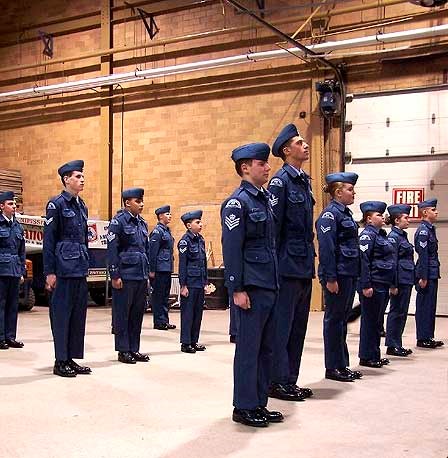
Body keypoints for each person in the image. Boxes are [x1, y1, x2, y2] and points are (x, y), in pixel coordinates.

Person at [221, 142, 283, 428]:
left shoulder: (264, 199)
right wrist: (237, 288)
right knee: (248, 349)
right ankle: (244, 406)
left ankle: (259, 402)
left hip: (268, 283)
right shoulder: (237, 203)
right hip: (251, 286)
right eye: (262, 163)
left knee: (266, 348)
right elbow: (232, 248)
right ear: (245, 168)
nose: (268, 167)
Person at [267, 124, 314, 402]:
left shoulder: (304, 181)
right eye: (299, 142)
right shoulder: (280, 182)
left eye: (305, 142)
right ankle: (277, 381)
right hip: (286, 265)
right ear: (286, 150)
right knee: (282, 328)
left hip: (304, 265)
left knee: (298, 328)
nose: (305, 145)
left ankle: (290, 380)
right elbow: (273, 230)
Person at [43, 160, 91, 377]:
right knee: (62, 316)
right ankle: (60, 361)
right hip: (63, 268)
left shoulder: (82, 206)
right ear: (66, 179)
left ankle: (71, 357)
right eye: (78, 176)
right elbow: (49, 240)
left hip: (79, 267)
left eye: (82, 176)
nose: (82, 180)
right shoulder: (56, 205)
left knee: (77, 316)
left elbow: (84, 240)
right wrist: (49, 272)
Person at [316, 172, 362, 382]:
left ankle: (342, 364)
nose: (353, 193)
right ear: (338, 192)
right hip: (338, 275)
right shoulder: (330, 215)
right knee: (334, 320)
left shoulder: (346, 214)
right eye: (350, 189)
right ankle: (333, 366)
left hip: (348, 272)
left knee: (342, 321)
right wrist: (330, 278)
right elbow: (327, 249)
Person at [107, 188, 151, 364]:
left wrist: (147, 274)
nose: (141, 204)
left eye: (142, 201)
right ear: (127, 203)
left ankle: (134, 348)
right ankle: (123, 350)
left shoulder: (142, 223)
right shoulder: (118, 222)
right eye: (137, 201)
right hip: (125, 274)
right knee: (122, 314)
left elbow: (145, 250)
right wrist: (114, 274)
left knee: (136, 314)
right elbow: (112, 250)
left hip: (140, 274)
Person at [358, 201, 395, 368]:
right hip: (373, 282)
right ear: (369, 219)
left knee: (376, 322)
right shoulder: (367, 235)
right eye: (379, 215)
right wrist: (366, 285)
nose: (382, 217)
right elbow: (364, 261)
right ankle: (366, 356)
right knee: (369, 321)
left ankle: (374, 354)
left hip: (382, 282)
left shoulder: (381, 235)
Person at [384, 204, 414, 357]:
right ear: (397, 220)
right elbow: (392, 262)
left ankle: (397, 343)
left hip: (406, 278)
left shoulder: (402, 235)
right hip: (400, 280)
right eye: (406, 218)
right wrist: (393, 283)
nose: (408, 220)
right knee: (396, 312)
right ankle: (392, 345)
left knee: (402, 312)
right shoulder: (393, 238)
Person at [414, 198, 444, 349]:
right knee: (424, 306)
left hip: (432, 272)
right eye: (433, 210)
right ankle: (422, 337)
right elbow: (423, 255)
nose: (436, 212)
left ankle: (428, 336)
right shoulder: (423, 231)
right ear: (425, 212)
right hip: (426, 273)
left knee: (430, 306)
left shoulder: (430, 229)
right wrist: (423, 276)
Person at [178, 210, 207, 354]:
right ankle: (186, 343)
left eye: (200, 222)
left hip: (199, 282)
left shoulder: (201, 240)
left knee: (197, 314)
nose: (201, 224)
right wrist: (183, 285)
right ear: (189, 225)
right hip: (190, 283)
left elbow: (204, 263)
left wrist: (205, 282)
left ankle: (194, 341)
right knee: (188, 314)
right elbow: (182, 265)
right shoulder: (185, 241)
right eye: (197, 222)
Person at [0, 191, 26, 350]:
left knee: (13, 305)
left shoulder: (18, 227)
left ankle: (10, 337)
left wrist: (22, 271)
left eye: (15, 204)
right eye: (10, 204)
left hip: (15, 270)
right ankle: (0, 337)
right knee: (1, 304)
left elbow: (21, 251)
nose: (14, 206)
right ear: (1, 206)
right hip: (1, 270)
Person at [149, 205, 176, 331]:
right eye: (167, 214)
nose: (170, 216)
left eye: (170, 214)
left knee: (165, 296)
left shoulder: (167, 231)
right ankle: (159, 321)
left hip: (166, 267)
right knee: (158, 296)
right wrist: (152, 270)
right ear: (160, 216)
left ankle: (164, 320)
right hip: (159, 269)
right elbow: (152, 252)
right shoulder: (157, 232)